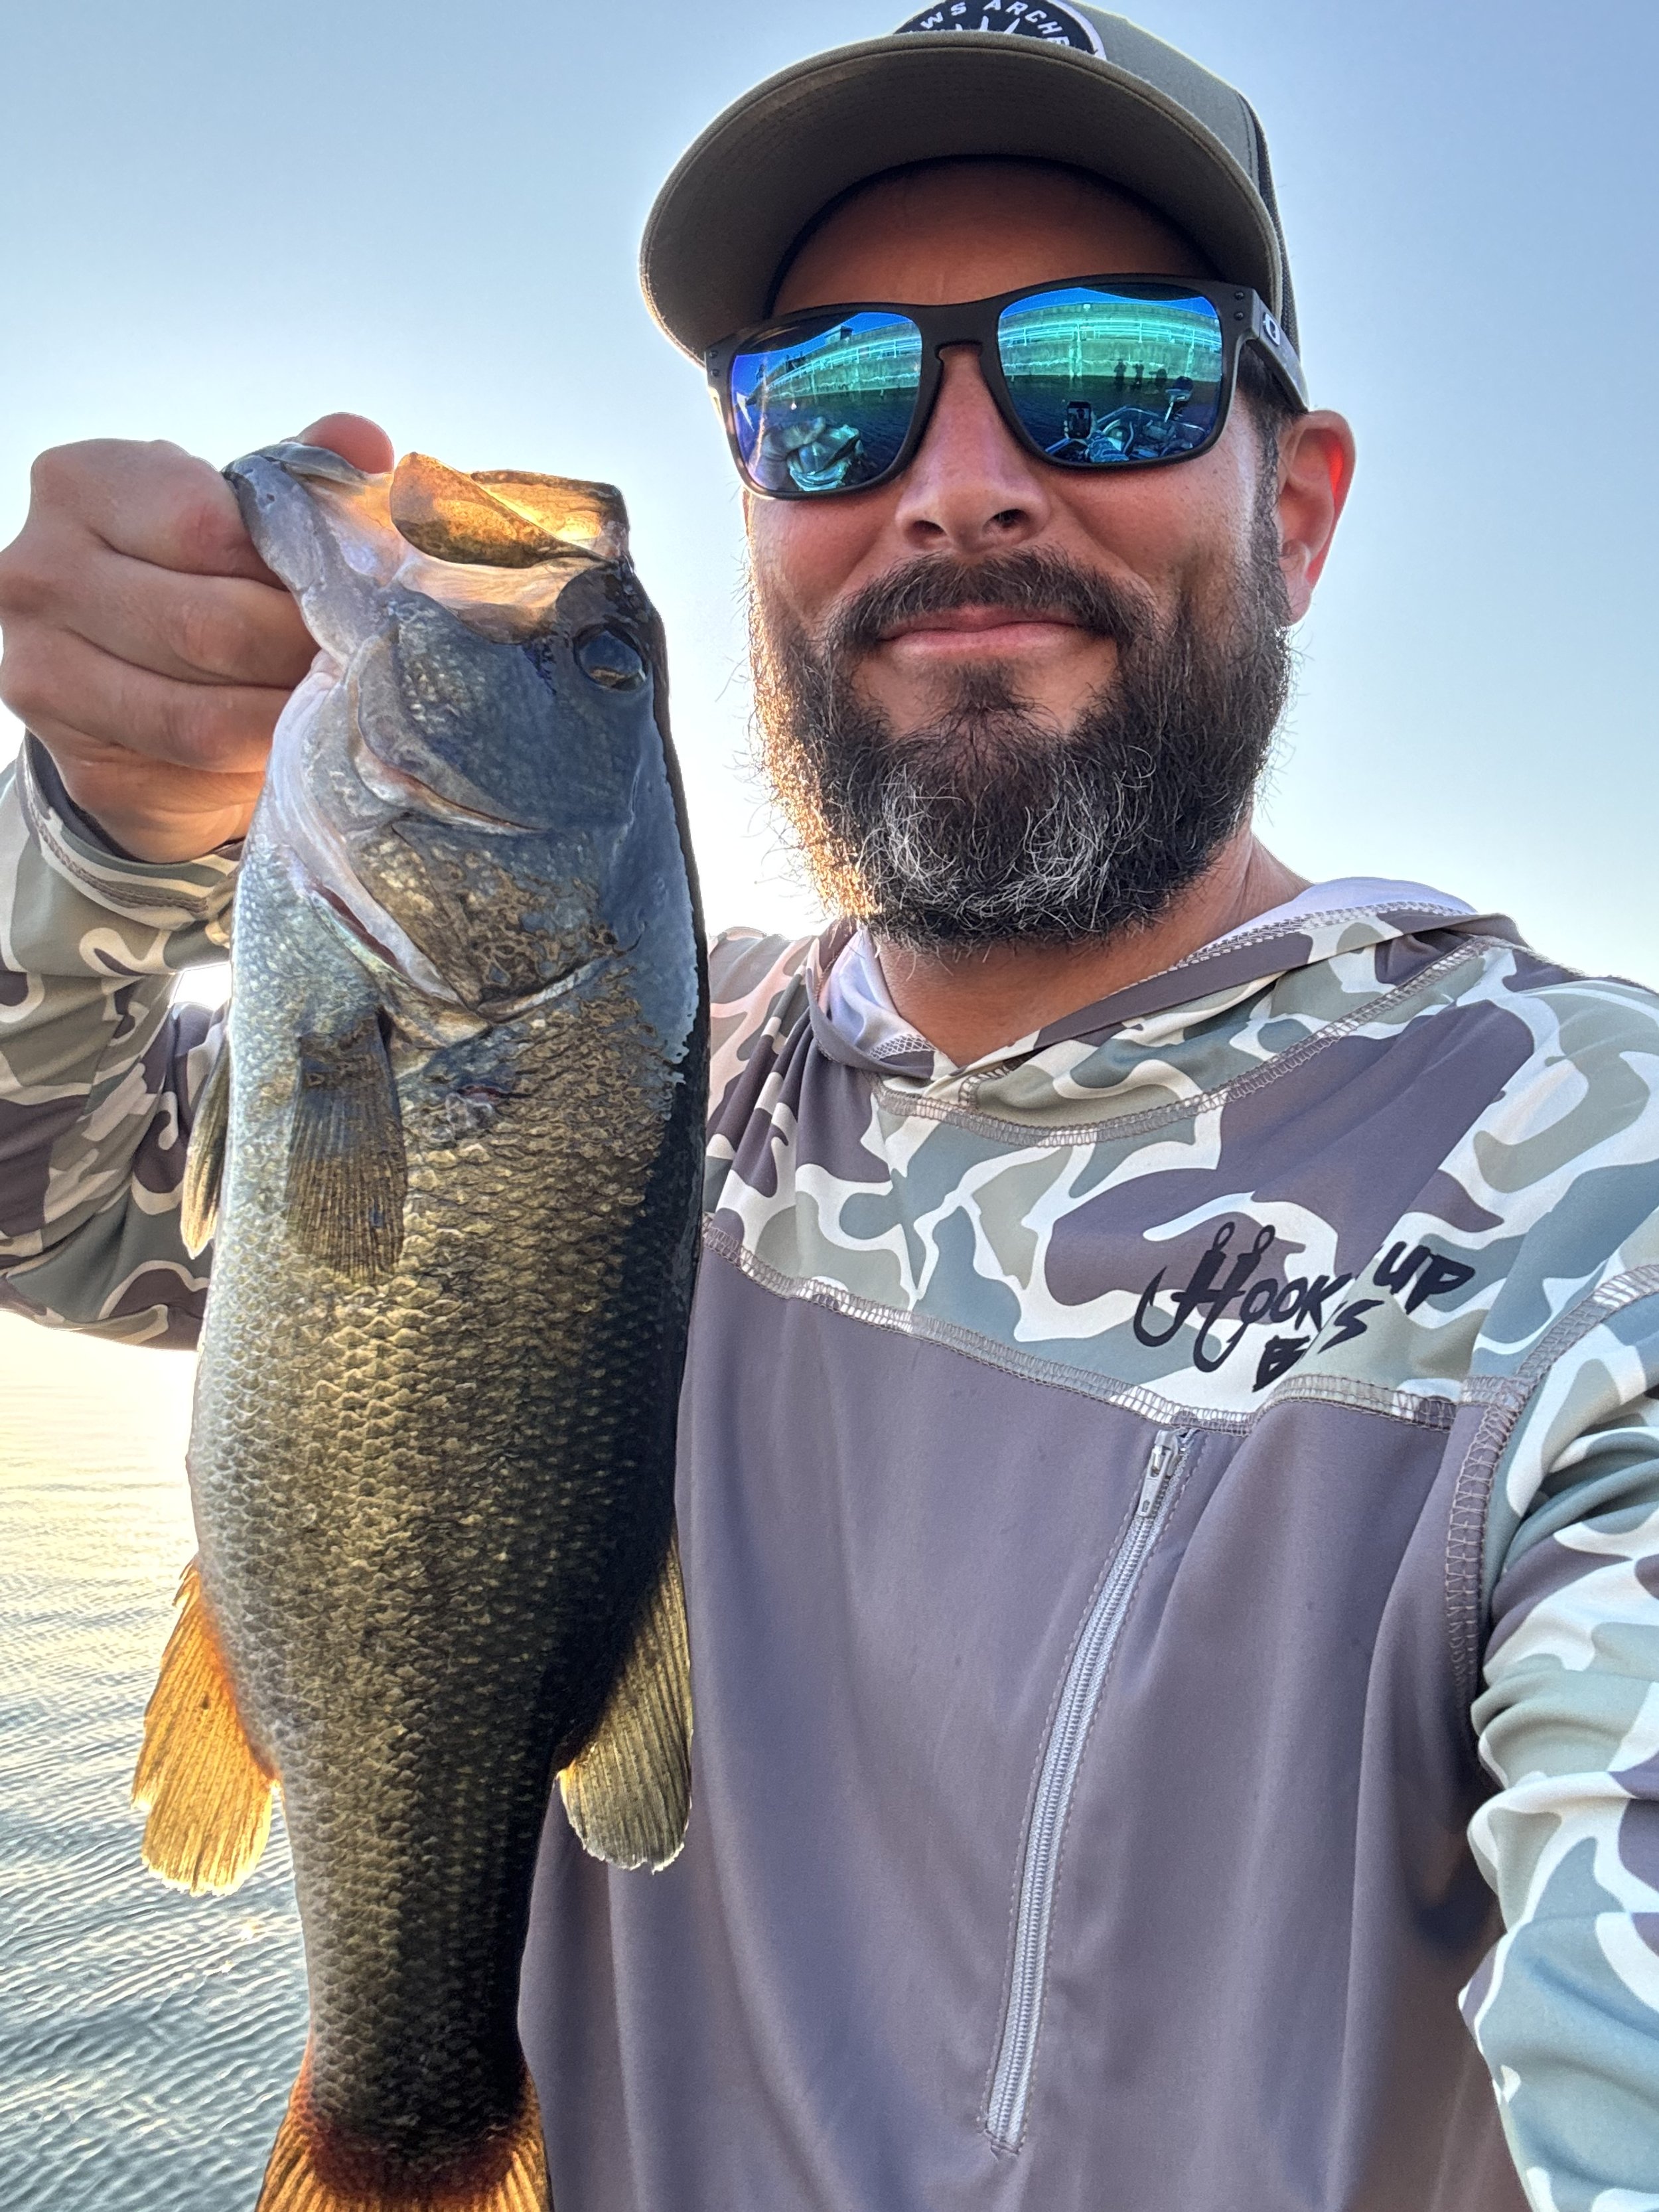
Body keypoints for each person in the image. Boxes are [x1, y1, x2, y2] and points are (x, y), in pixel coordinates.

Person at [0, 9, 1654, 2207]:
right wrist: (100, 831)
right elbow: (52, 1187)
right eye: (836, 397)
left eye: (1110, 370)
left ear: (1301, 504)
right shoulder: (661, 1078)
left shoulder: (1588, 1210)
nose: (957, 477)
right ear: (762, 515)